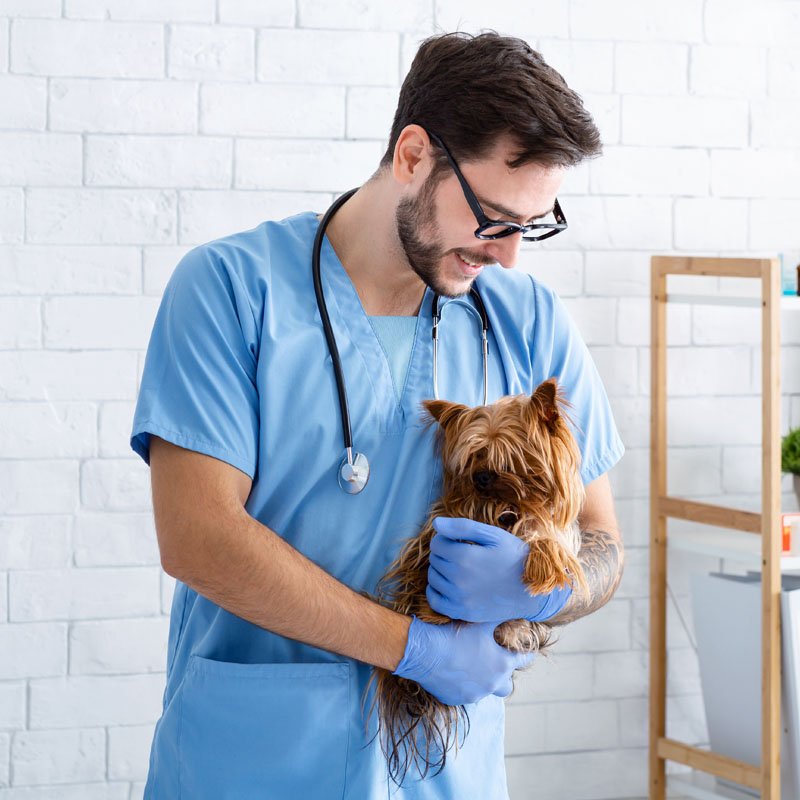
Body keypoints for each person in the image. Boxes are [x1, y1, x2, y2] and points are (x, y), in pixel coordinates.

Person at [130, 30, 625, 800]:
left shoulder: (528, 320)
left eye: (530, 225)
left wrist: (545, 591)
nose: (508, 257)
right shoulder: (231, 291)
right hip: (255, 766)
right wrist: (413, 649)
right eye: (493, 218)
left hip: (444, 774)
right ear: (413, 156)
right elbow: (198, 537)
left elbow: (603, 542)